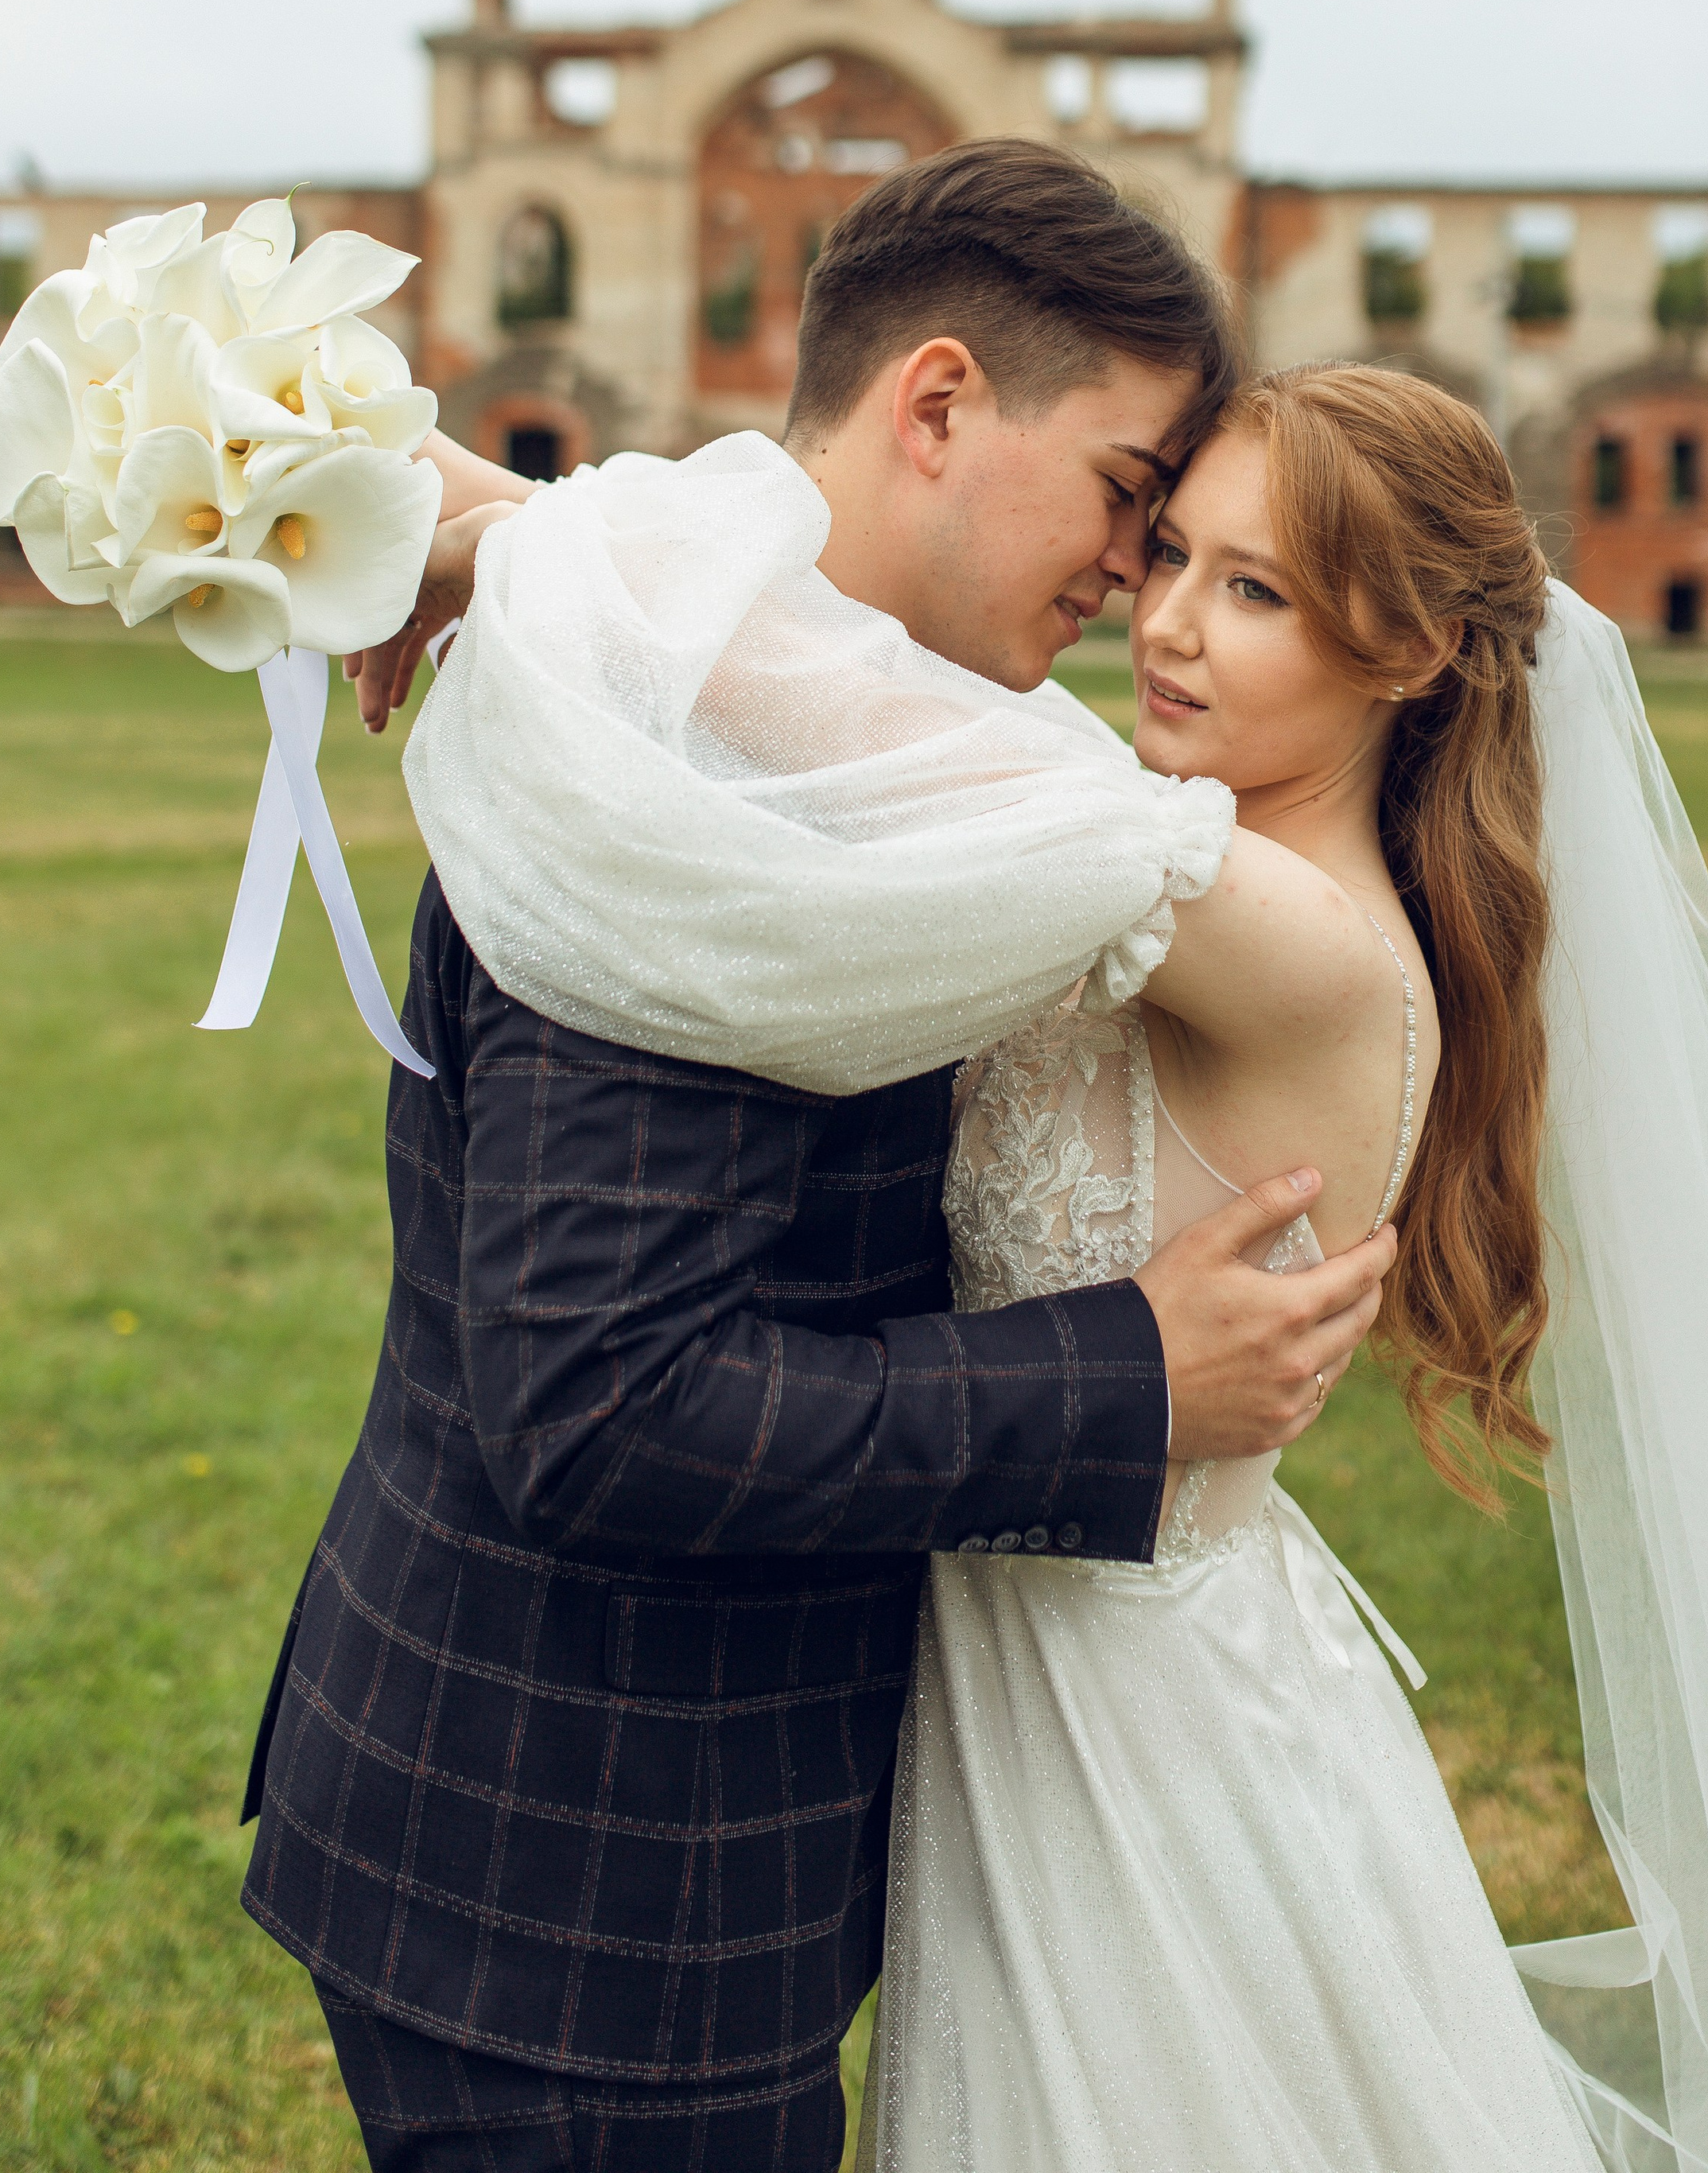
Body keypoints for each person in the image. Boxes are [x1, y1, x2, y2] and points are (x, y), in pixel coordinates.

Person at [239, 145, 1399, 2173]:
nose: (1136, 583)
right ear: (936, 405)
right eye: (1130, 494)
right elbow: (604, 1408)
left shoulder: (707, 674)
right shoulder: (682, 784)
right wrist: (1126, 1376)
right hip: (590, 1890)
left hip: (640, 1827)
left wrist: (519, 529)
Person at [863, 364, 1708, 2173]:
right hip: (1081, 1658)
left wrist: (504, 531)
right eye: (1172, 556)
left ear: (1414, 653)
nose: (1172, 629)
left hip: (1135, 1730)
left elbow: (881, 727)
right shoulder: (1218, 871)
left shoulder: (1296, 940)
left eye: (1259, 591)